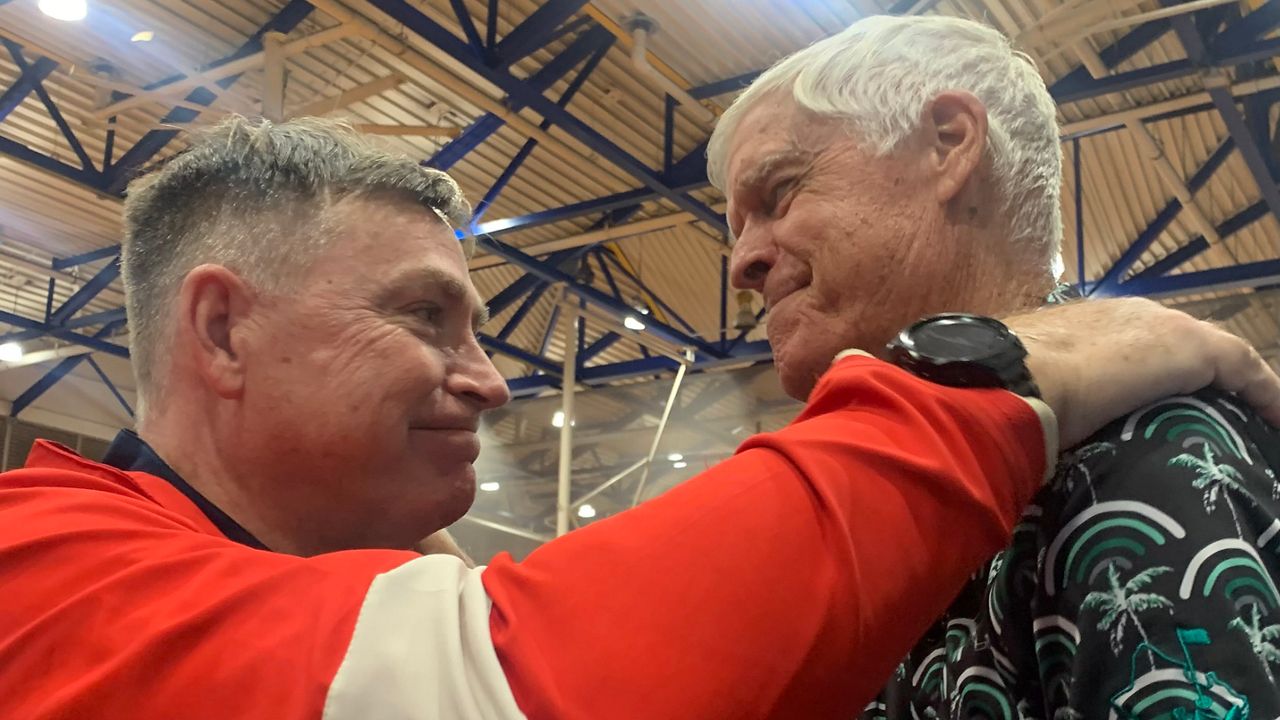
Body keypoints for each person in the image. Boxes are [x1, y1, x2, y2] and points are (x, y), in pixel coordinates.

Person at [0, 119, 1274, 720]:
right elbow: (518, 690)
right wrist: (994, 372)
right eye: (425, 319)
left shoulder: (1156, 464)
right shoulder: (34, 566)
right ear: (221, 331)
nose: (491, 382)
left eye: (782, 194)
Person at [707, 13, 1280, 719]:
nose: (742, 264)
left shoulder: (1134, 461)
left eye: (779, 194)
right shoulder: (891, 498)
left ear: (949, 145)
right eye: (736, 229)